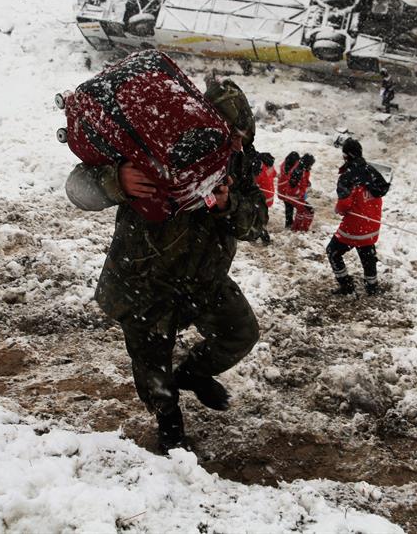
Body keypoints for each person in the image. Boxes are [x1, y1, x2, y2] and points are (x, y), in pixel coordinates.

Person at [65, 76, 267, 452]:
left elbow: (257, 221)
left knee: (240, 333)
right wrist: (118, 180)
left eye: (242, 138)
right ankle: (169, 426)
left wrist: (229, 206)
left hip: (203, 281)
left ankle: (191, 374)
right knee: (152, 371)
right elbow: (78, 187)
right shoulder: (151, 146)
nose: (237, 145)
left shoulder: (236, 162)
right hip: (144, 283)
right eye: (232, 135)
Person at [327, 138, 389, 295]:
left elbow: (343, 205)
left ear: (346, 155)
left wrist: (338, 209)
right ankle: (372, 287)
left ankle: (347, 286)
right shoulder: (371, 171)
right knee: (367, 254)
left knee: (333, 251)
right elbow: (380, 190)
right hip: (372, 225)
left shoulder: (347, 176)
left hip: (354, 227)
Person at [277, 151, 314, 230]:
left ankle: (291, 225)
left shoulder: (286, 166)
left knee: (290, 208)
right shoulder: (296, 171)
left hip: (284, 192)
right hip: (288, 193)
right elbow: (292, 185)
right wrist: (300, 193)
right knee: (302, 209)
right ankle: (298, 228)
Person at [252, 151, 277, 245]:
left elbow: (254, 181)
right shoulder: (271, 166)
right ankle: (260, 235)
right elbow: (274, 174)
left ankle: (264, 238)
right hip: (269, 196)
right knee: (261, 217)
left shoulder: (260, 170)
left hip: (262, 198)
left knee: (258, 218)